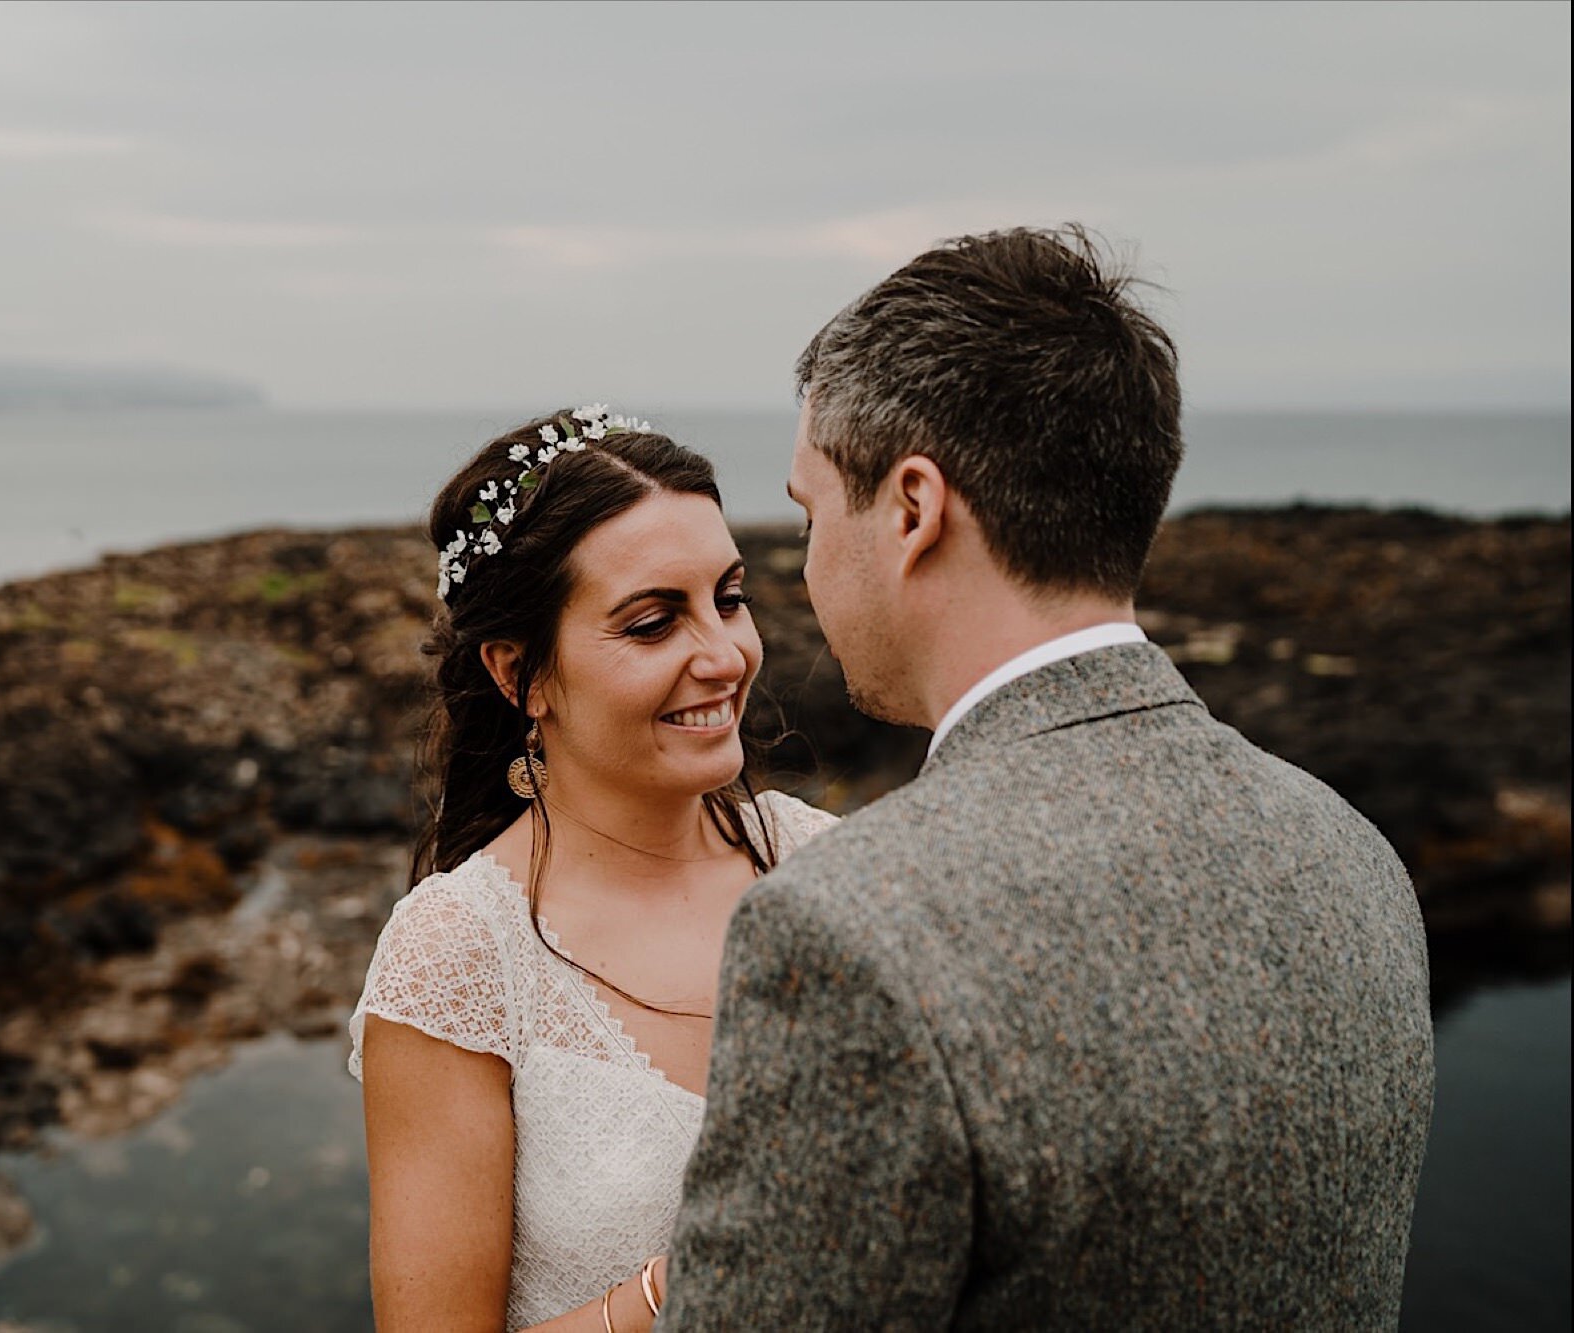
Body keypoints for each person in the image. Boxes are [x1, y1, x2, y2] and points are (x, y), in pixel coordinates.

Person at [658, 228, 1436, 1330]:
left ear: (913, 509)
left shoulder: (848, 932)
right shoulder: (1350, 851)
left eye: (808, 512)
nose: (806, 561)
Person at [349, 406, 837, 1331]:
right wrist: (687, 1281)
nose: (725, 655)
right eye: (654, 623)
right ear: (520, 674)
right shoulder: (456, 953)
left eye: (728, 598)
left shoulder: (822, 865)